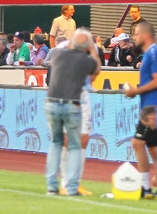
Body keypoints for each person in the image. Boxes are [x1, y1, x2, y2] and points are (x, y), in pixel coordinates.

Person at [43, 29, 100, 196]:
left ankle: (53, 186)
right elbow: (95, 72)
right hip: (73, 100)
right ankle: (69, 185)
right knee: (72, 143)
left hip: (54, 99)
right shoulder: (86, 56)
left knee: (59, 142)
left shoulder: (59, 52)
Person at [124, 20, 157, 198]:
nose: (134, 37)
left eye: (136, 34)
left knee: (143, 145)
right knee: (149, 148)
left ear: (145, 35)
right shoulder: (150, 54)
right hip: (151, 108)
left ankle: (151, 187)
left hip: (154, 109)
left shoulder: (154, 54)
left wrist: (135, 90)